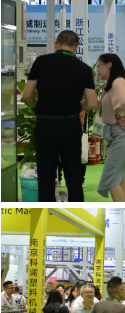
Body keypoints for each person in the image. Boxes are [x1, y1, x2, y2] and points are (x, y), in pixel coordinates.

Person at [21, 30, 97, 202]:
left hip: (45, 125)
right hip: (70, 125)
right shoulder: (84, 69)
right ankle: (76, 211)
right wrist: (75, 106)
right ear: (76, 48)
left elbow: (26, 95)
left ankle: (46, 213)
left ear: (56, 44)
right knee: (73, 176)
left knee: (45, 176)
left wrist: (39, 105)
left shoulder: (41, 62)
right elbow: (92, 102)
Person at [95, 53, 125, 201]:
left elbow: (123, 102)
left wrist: (119, 116)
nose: (97, 69)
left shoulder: (118, 81)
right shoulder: (113, 83)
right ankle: (122, 211)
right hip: (120, 134)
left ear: (109, 65)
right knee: (118, 178)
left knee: (111, 179)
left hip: (121, 134)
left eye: (99, 66)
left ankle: (119, 212)